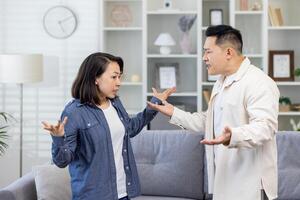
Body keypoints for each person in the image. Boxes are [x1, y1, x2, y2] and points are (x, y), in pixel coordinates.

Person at [148, 25, 279, 200]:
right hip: (225, 181)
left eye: (208, 52)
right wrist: (173, 112)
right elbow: (208, 121)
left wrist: (232, 135)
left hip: (251, 186)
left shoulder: (259, 82)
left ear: (228, 53)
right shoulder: (221, 82)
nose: (204, 58)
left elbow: (265, 127)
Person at [42, 52, 175, 200]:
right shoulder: (74, 112)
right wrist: (58, 138)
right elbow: (62, 161)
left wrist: (154, 104)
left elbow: (130, 128)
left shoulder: (115, 103)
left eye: (120, 76)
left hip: (124, 192)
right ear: (96, 79)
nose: (119, 82)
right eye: (114, 77)